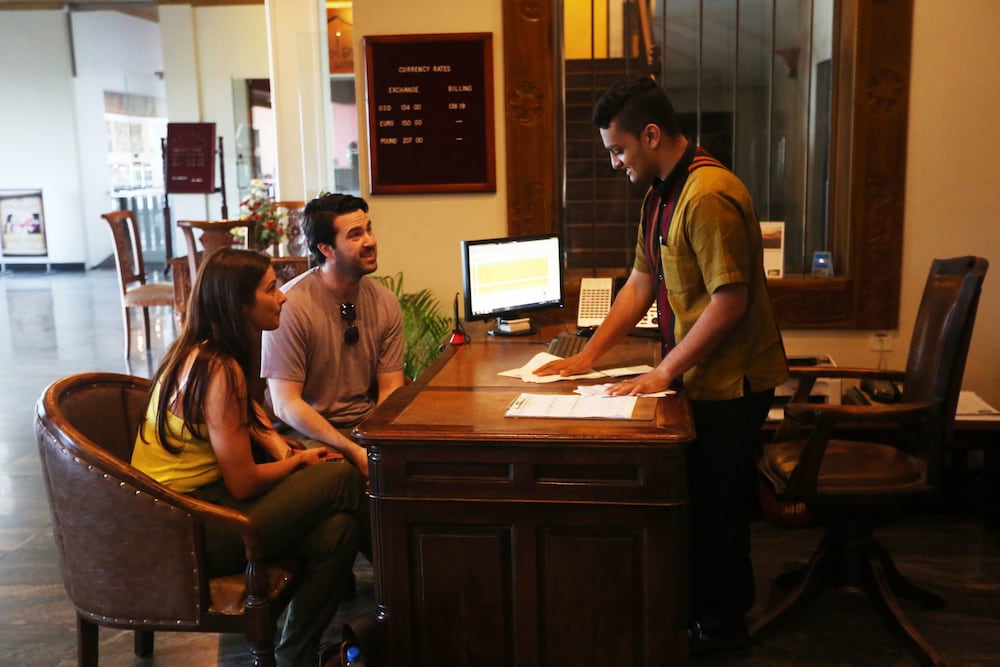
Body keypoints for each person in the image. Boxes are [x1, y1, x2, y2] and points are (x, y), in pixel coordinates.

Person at [535, 74, 788, 654]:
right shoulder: (658, 196)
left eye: (619, 150)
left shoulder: (707, 195)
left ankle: (724, 628)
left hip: (731, 382)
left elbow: (729, 303)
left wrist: (663, 371)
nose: (615, 163)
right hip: (696, 375)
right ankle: (694, 611)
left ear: (651, 135)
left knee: (719, 509)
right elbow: (639, 284)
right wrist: (587, 357)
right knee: (695, 503)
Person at [132, 248, 365, 667]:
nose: (283, 296)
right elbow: (243, 483)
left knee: (339, 530)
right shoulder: (219, 371)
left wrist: (283, 448)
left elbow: (250, 418)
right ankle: (405, 599)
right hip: (192, 531)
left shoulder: (197, 352)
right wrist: (298, 463)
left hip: (191, 514)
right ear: (238, 304)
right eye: (271, 289)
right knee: (343, 476)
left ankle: (294, 657)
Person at [261, 193, 405, 479]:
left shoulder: (385, 302)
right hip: (304, 432)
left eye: (368, 229)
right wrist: (352, 451)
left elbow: (391, 389)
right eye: (355, 235)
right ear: (326, 249)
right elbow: (286, 404)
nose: (370, 241)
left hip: (364, 426)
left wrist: (377, 443)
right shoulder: (291, 305)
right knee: (342, 476)